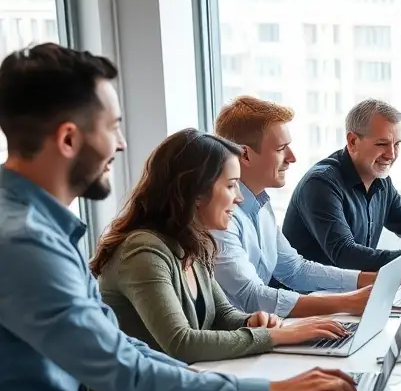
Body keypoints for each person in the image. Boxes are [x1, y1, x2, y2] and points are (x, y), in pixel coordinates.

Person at [0, 44, 359, 391]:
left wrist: (188, 380)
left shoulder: (40, 228)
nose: (122, 143)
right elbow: (126, 371)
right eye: (113, 127)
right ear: (68, 139)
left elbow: (118, 346)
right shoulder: (26, 243)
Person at [91, 128, 357, 364]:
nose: (239, 198)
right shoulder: (143, 251)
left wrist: (252, 321)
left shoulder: (191, 243)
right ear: (196, 193)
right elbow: (182, 343)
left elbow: (223, 315)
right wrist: (279, 335)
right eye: (231, 186)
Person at [212, 97, 401, 318]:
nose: (292, 158)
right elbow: (250, 297)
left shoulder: (261, 204)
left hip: (268, 324)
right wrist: (347, 302)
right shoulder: (220, 217)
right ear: (245, 155)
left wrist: (383, 278)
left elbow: (296, 269)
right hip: (248, 331)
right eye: (281, 149)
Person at [282, 98, 401, 272]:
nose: (391, 155)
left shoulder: (380, 178)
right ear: (352, 141)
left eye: (396, 144)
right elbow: (344, 253)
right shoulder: (320, 184)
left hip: (351, 285)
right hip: (309, 289)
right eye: (382, 144)